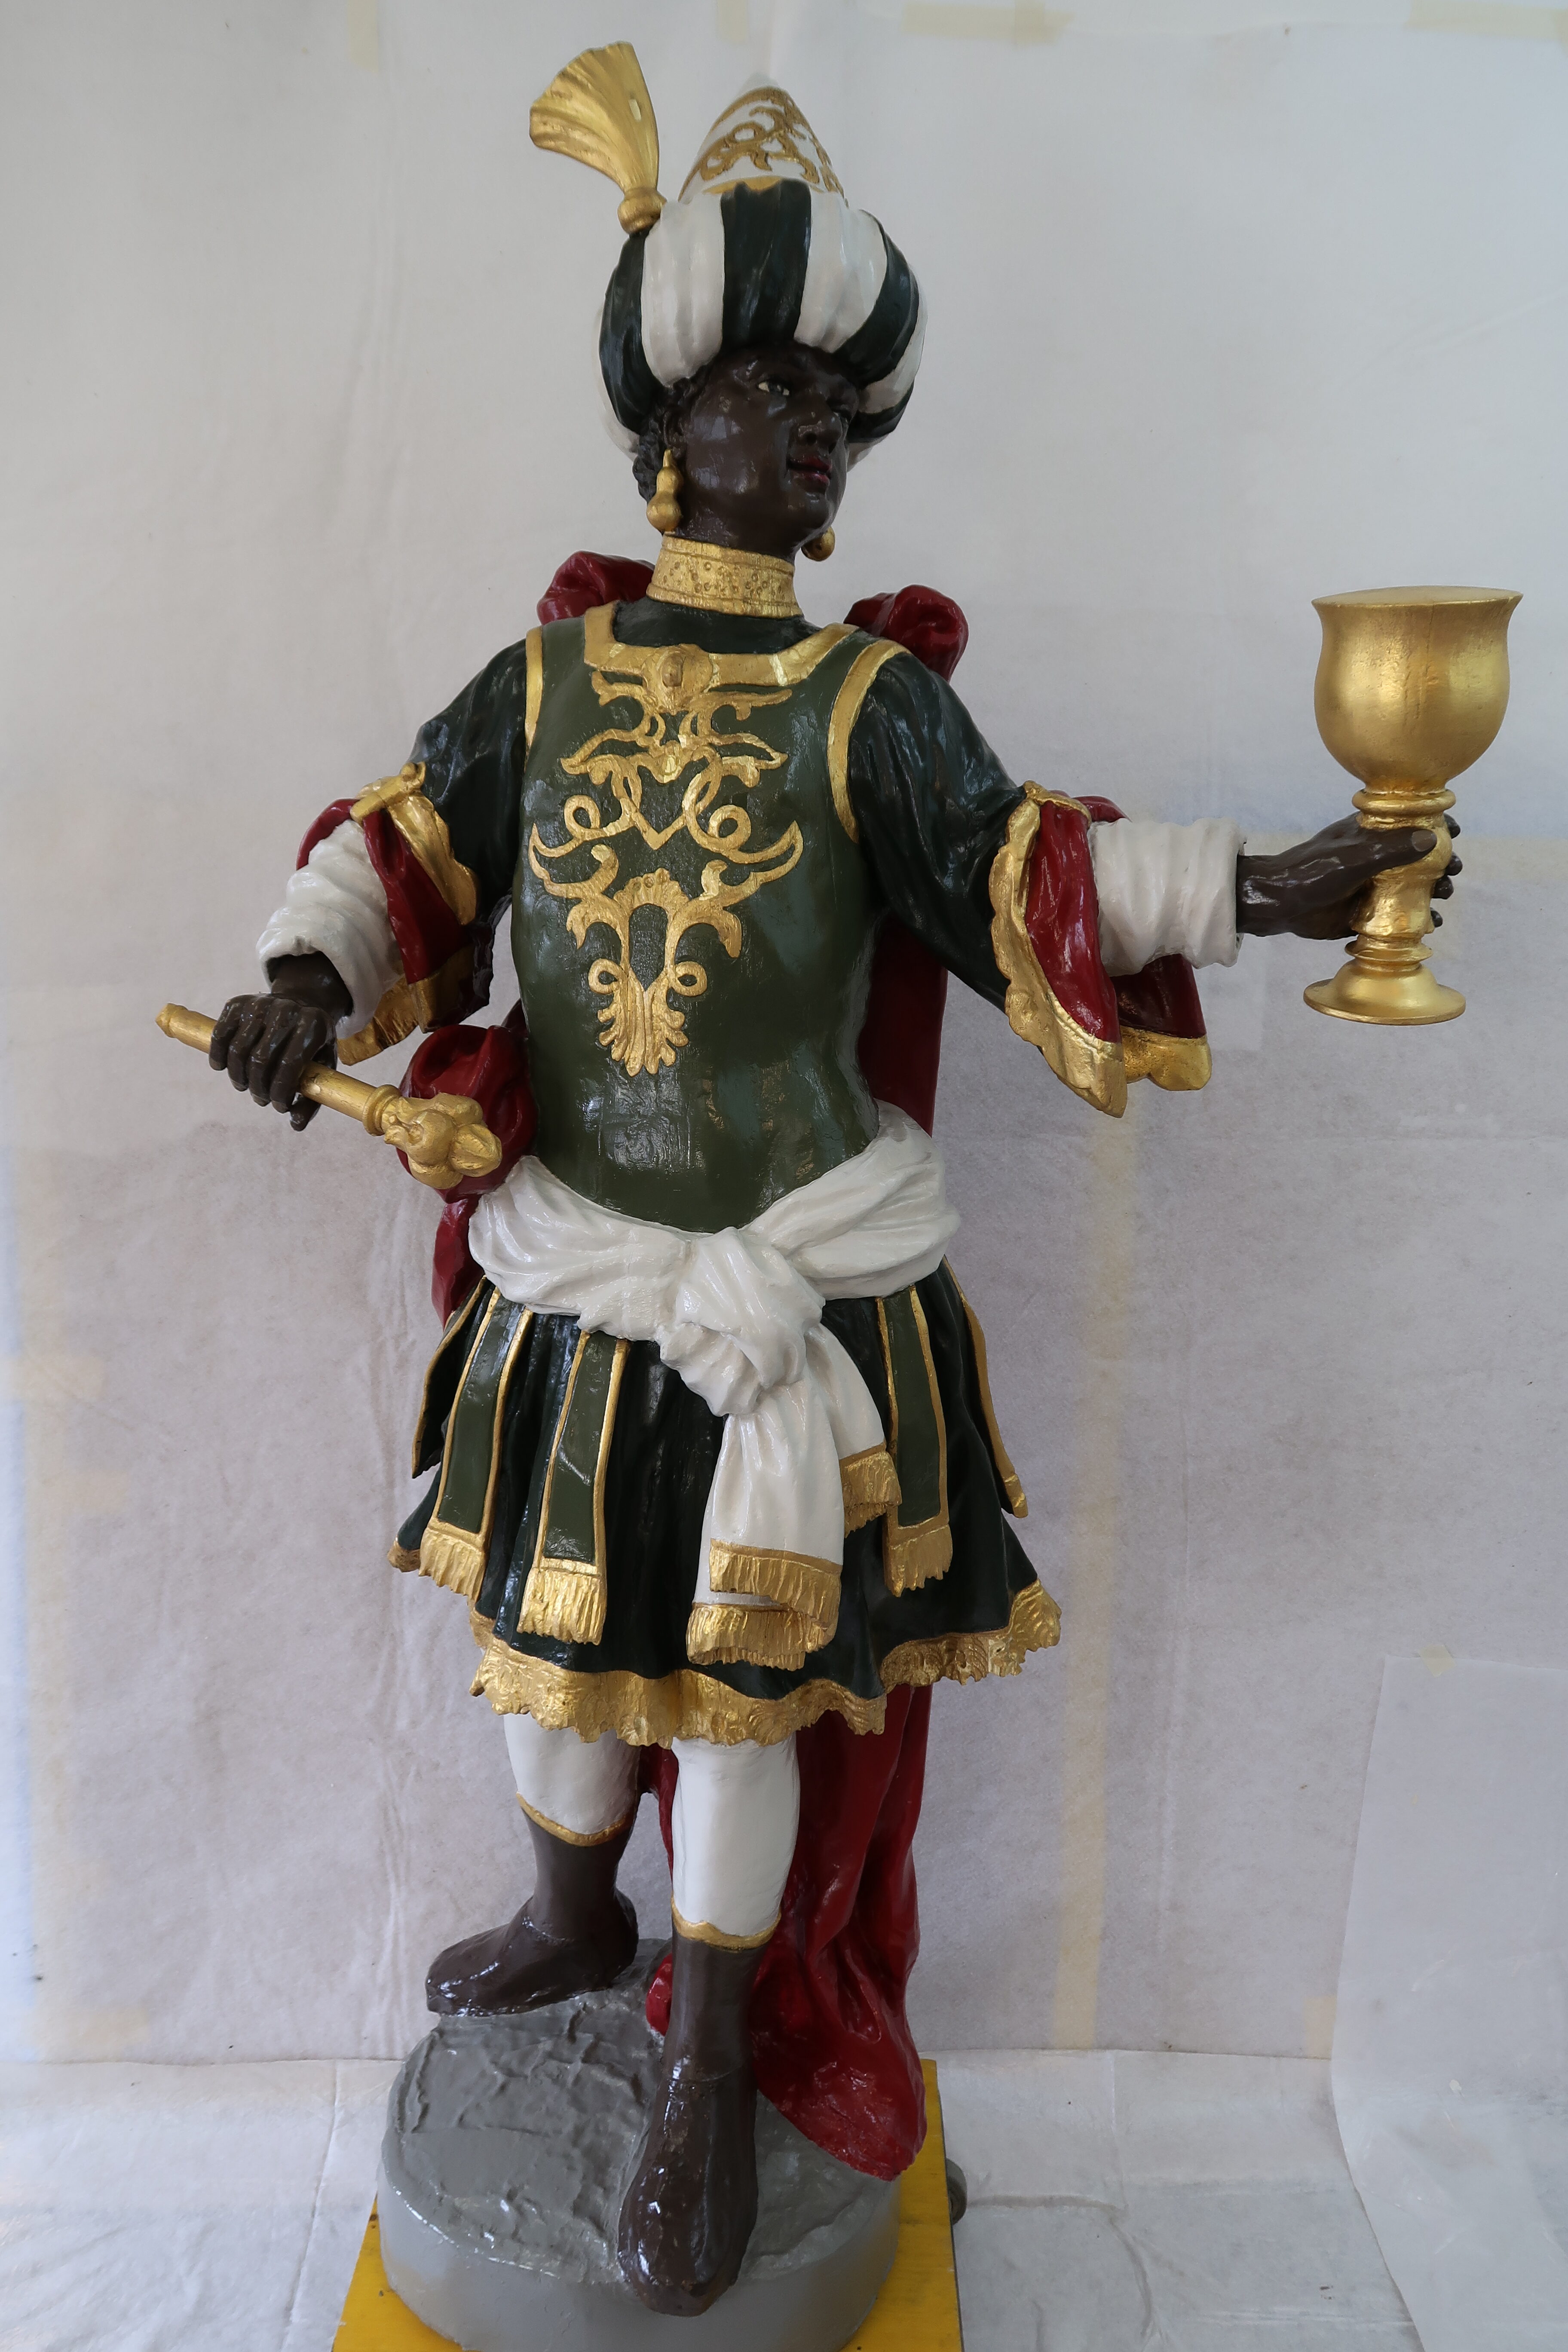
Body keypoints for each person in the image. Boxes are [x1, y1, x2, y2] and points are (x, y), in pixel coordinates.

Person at [205, 52, 1453, 2317]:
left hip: (793, 1297)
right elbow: (402, 853)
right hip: (582, 1281)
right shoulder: (542, 682)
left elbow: (1024, 874)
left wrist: (1265, 887)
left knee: (747, 1702)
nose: (803, 437)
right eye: (758, 394)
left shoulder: (877, 709)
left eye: (831, 410)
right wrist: (310, 974)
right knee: (552, 1666)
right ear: (664, 426)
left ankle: (709, 2062)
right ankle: (571, 1912)